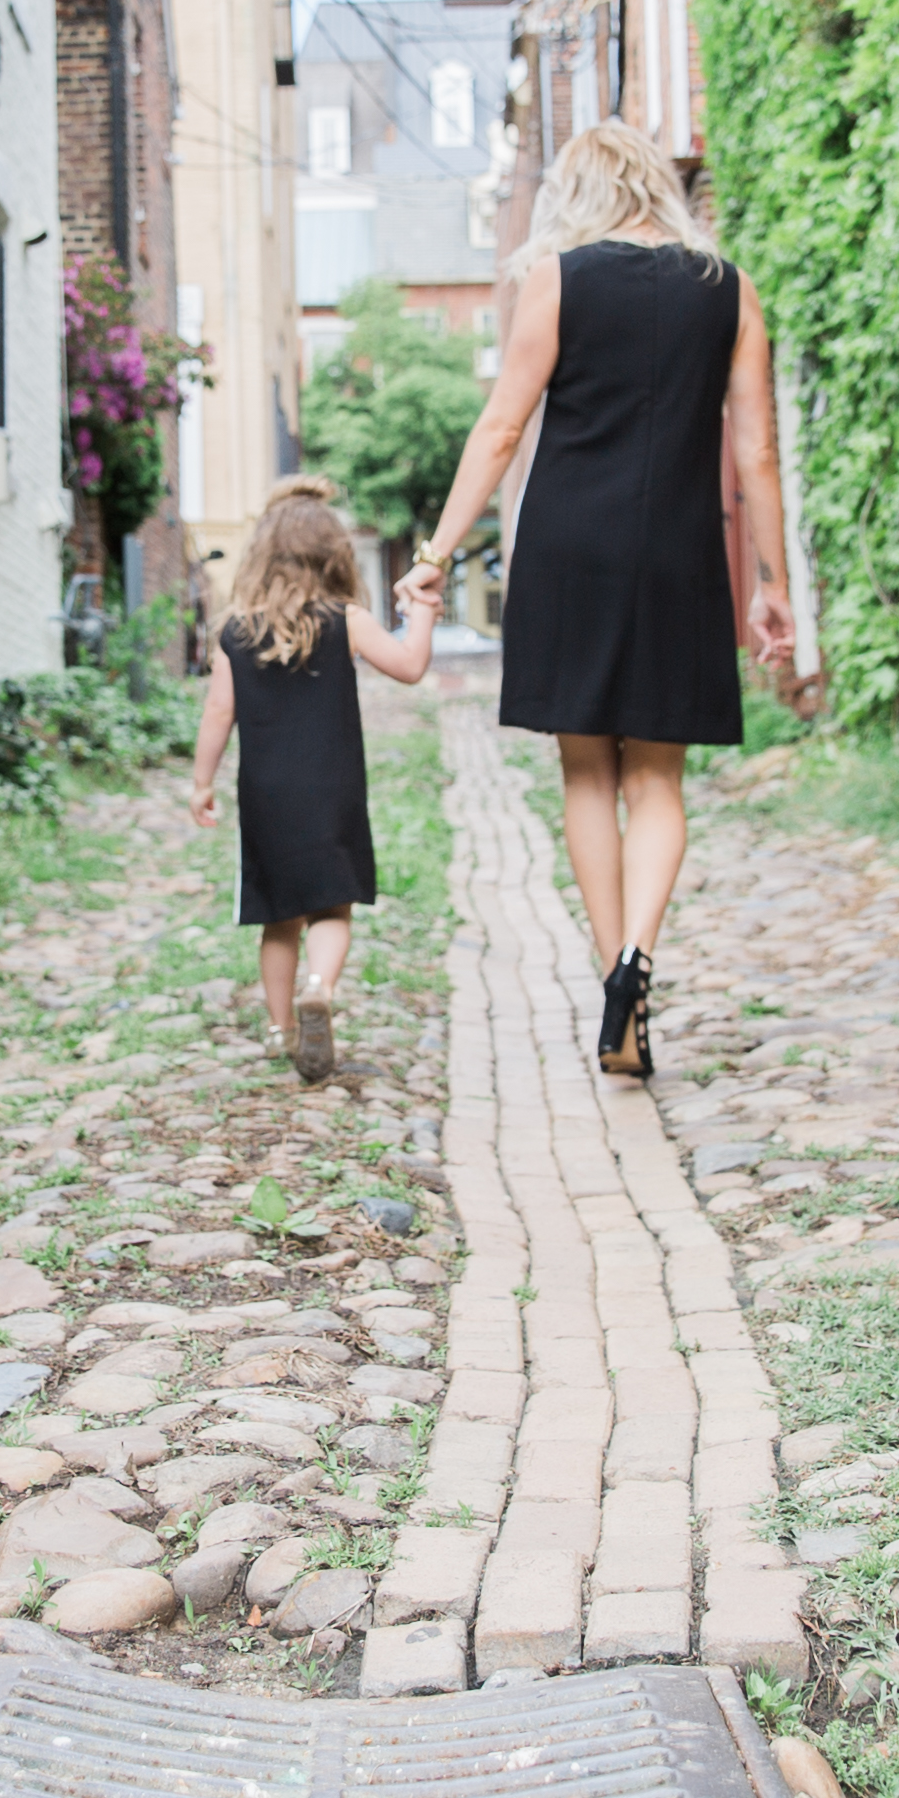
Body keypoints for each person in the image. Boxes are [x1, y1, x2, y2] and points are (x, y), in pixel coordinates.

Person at [405, 117, 795, 1081]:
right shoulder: (731, 291)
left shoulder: (559, 281)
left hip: (569, 547)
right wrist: (775, 585)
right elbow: (756, 453)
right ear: (659, 186)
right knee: (657, 779)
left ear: (575, 196)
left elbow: (501, 430)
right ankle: (638, 966)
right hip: (678, 552)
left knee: (588, 775)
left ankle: (611, 980)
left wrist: (438, 552)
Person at [189, 478, 444, 1081]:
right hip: (333, 788)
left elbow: (218, 712)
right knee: (332, 905)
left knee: (279, 916)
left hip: (266, 794)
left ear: (260, 554)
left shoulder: (235, 631)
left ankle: (281, 1031)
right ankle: (319, 987)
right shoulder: (344, 619)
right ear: (333, 553)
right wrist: (425, 612)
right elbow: (409, 667)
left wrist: (201, 783)